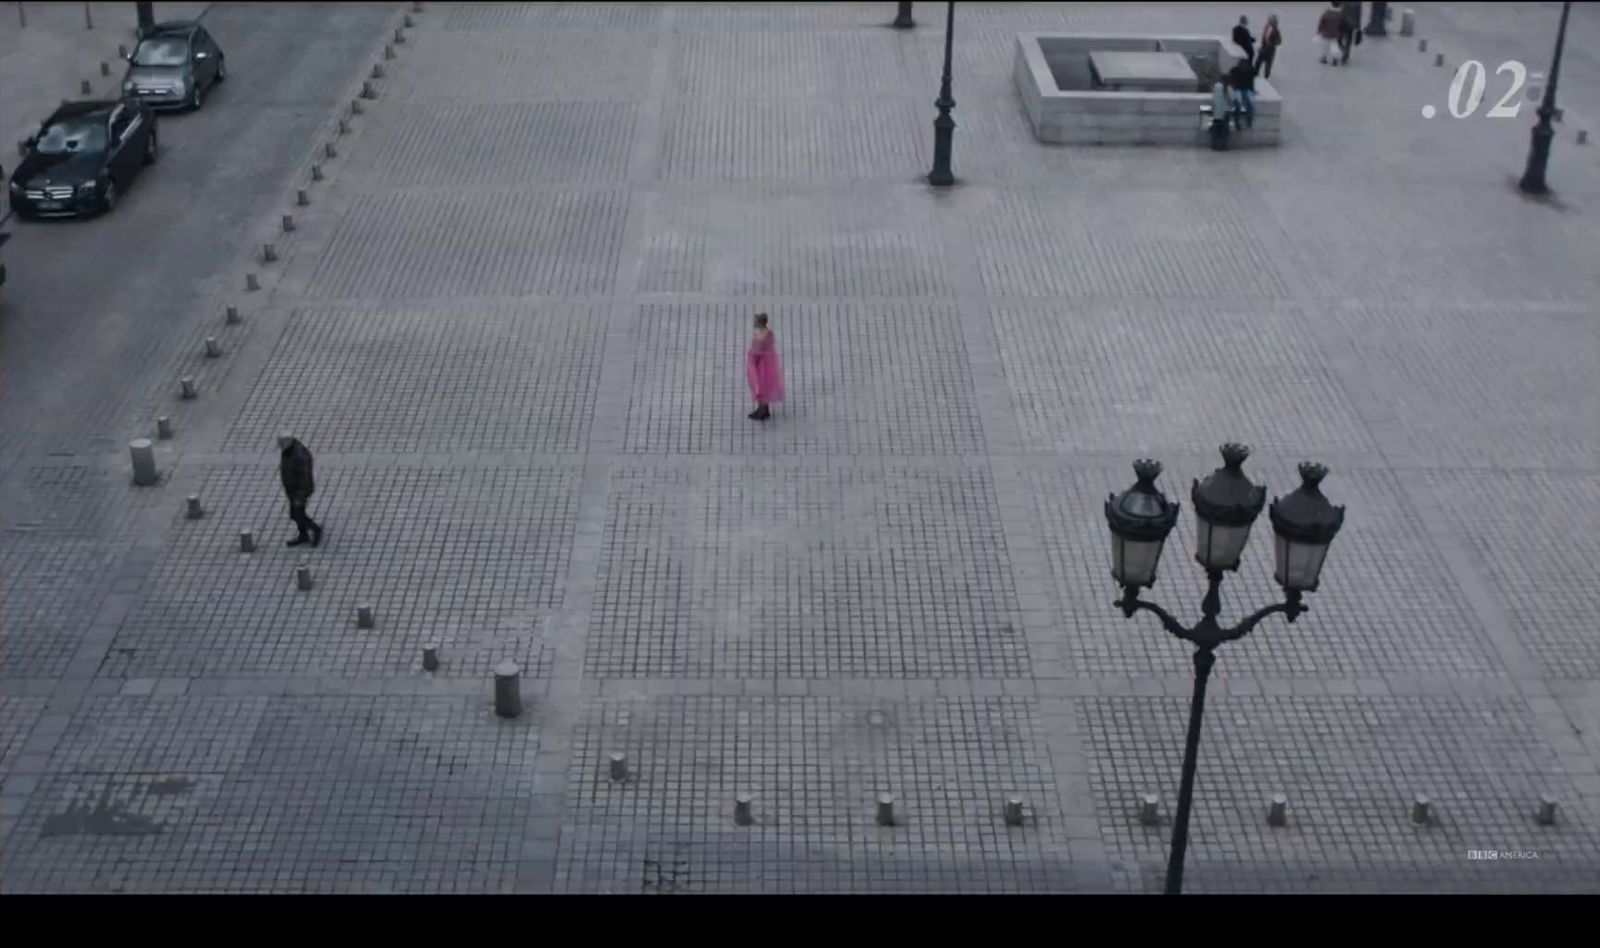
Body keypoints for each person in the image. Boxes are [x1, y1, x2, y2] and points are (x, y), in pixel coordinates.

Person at [278, 431, 323, 547]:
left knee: (298, 514)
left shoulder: (300, 456)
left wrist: (301, 495)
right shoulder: (287, 451)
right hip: (292, 490)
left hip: (300, 491)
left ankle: (316, 530)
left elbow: (305, 479)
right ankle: (303, 535)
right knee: (295, 514)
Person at [745, 313, 785, 421]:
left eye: (756, 321)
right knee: (766, 387)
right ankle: (765, 409)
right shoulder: (769, 333)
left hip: (761, 366)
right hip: (769, 362)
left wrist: (752, 365)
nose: (754, 323)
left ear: (761, 323)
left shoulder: (760, 337)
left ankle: (761, 410)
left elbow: (756, 353)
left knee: (760, 386)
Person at [1227, 58, 1256, 130]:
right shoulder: (1236, 70)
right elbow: (1231, 79)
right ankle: (1238, 122)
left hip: (1244, 89)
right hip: (1238, 89)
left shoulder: (1249, 71)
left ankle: (1247, 120)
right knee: (1238, 105)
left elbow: (1251, 81)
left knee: (1249, 104)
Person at [1208, 76, 1232, 150]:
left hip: (1216, 113)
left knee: (1215, 131)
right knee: (1224, 131)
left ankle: (1214, 145)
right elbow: (1231, 100)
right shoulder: (1229, 89)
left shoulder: (1216, 87)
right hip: (1225, 113)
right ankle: (1223, 146)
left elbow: (1213, 99)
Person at [1256, 14, 1282, 78]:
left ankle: (1265, 79)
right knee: (1258, 63)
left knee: (1267, 67)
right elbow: (1264, 38)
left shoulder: (1276, 31)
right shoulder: (1266, 28)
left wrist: (1272, 43)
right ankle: (1255, 75)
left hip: (1270, 51)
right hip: (1264, 49)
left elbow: (1279, 41)